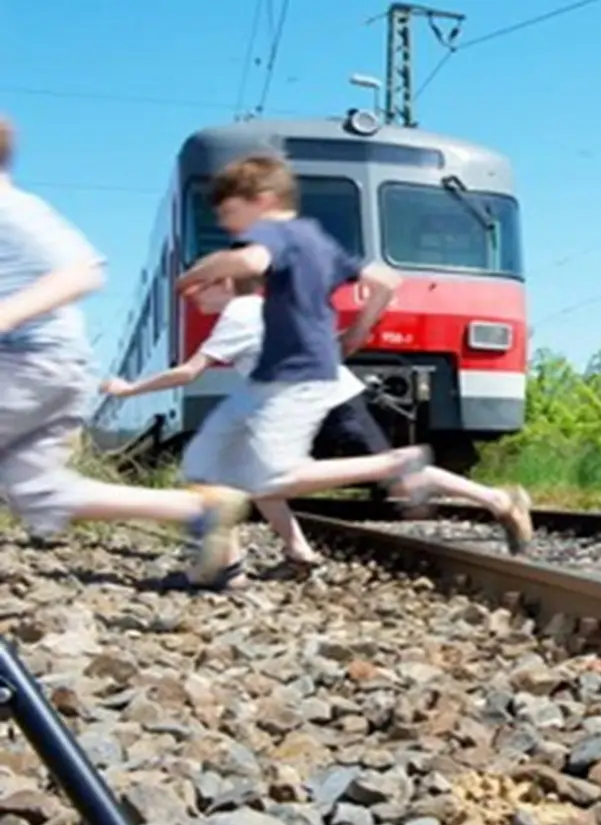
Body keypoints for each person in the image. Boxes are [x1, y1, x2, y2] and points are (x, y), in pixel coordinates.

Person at [100, 275, 534, 586]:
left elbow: (189, 372)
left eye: (199, 289)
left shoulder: (237, 316)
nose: (193, 299)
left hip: (325, 406)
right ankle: (299, 553)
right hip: (323, 399)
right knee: (258, 476)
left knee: (395, 477)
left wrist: (129, 388)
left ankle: (498, 500)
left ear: (225, 285)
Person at [169, 153, 445, 578]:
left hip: (293, 372)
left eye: (230, 213)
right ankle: (228, 565)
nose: (228, 225)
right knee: (209, 461)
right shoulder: (318, 239)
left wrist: (196, 271)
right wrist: (358, 332)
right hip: (288, 371)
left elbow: (249, 263)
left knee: (270, 478)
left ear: (263, 199)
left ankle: (396, 464)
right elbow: (386, 282)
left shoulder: (275, 232)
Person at [0, 114, 250, 582]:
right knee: (35, 491)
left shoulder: (9, 209)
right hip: (46, 365)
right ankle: (200, 511)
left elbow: (83, 269)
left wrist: (8, 314)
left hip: (28, 361)